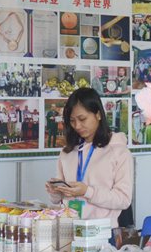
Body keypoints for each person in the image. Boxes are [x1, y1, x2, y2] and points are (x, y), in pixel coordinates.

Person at [45, 88, 133, 228]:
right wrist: (55, 191)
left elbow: (123, 199)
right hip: (69, 228)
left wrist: (87, 192)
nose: (77, 126)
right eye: (72, 121)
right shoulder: (67, 152)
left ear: (98, 114)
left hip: (101, 231)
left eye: (82, 119)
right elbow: (58, 199)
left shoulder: (119, 152)